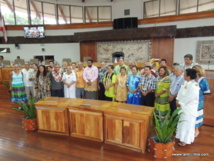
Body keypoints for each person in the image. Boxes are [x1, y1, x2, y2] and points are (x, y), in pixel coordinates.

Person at [175, 69, 199, 146]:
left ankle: (185, 140)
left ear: (189, 76)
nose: (184, 75)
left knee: (187, 124)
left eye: (185, 74)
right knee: (181, 123)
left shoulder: (194, 86)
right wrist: (177, 100)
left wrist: (180, 103)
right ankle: (180, 137)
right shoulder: (185, 82)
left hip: (188, 108)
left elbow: (190, 97)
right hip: (182, 107)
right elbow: (180, 92)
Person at [193, 65, 211, 137]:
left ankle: (196, 130)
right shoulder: (193, 79)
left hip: (199, 101)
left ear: (198, 71)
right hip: (192, 101)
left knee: (196, 115)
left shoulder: (203, 80)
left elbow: (206, 92)